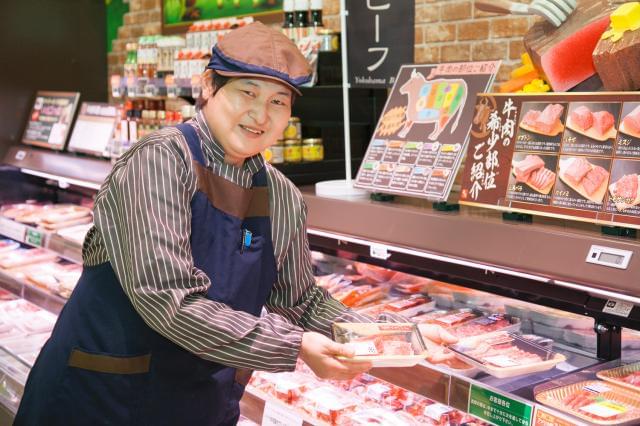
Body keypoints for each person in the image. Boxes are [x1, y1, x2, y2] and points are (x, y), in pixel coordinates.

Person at [15, 22, 454, 426]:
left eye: (277, 102)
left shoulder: (280, 194)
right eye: (247, 93)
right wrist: (294, 345)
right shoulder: (159, 160)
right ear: (208, 86)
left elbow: (302, 302)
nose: (261, 116)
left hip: (198, 405)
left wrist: (393, 335)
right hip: (101, 398)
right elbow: (168, 300)